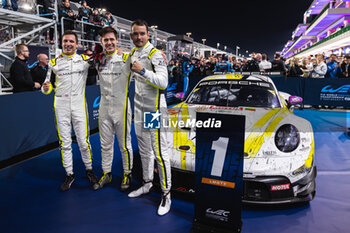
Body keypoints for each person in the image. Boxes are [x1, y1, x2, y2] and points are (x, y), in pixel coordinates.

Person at [42, 30, 98, 191]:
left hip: (79, 104)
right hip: (60, 105)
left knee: (83, 140)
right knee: (64, 142)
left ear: (77, 44)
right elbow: (47, 86)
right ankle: (69, 174)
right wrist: (46, 88)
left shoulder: (84, 60)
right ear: (61, 43)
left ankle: (89, 170)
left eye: (71, 41)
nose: (68, 44)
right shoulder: (53, 63)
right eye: (65, 41)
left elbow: (105, 60)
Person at [127, 19, 172, 216]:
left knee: (160, 153)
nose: (138, 37)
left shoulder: (155, 54)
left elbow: (163, 83)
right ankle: (147, 183)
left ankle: (166, 193)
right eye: (135, 34)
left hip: (154, 110)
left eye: (142, 34)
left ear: (148, 35)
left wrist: (143, 71)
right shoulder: (132, 54)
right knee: (144, 150)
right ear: (131, 36)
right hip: (139, 108)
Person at [92, 26, 134, 191]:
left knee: (124, 144)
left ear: (117, 40)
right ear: (101, 42)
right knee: (105, 144)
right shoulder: (97, 58)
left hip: (121, 106)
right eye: (105, 40)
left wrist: (160, 56)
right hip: (104, 107)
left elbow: (146, 60)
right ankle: (106, 173)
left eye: (111, 39)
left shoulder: (127, 57)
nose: (109, 42)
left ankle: (127, 173)